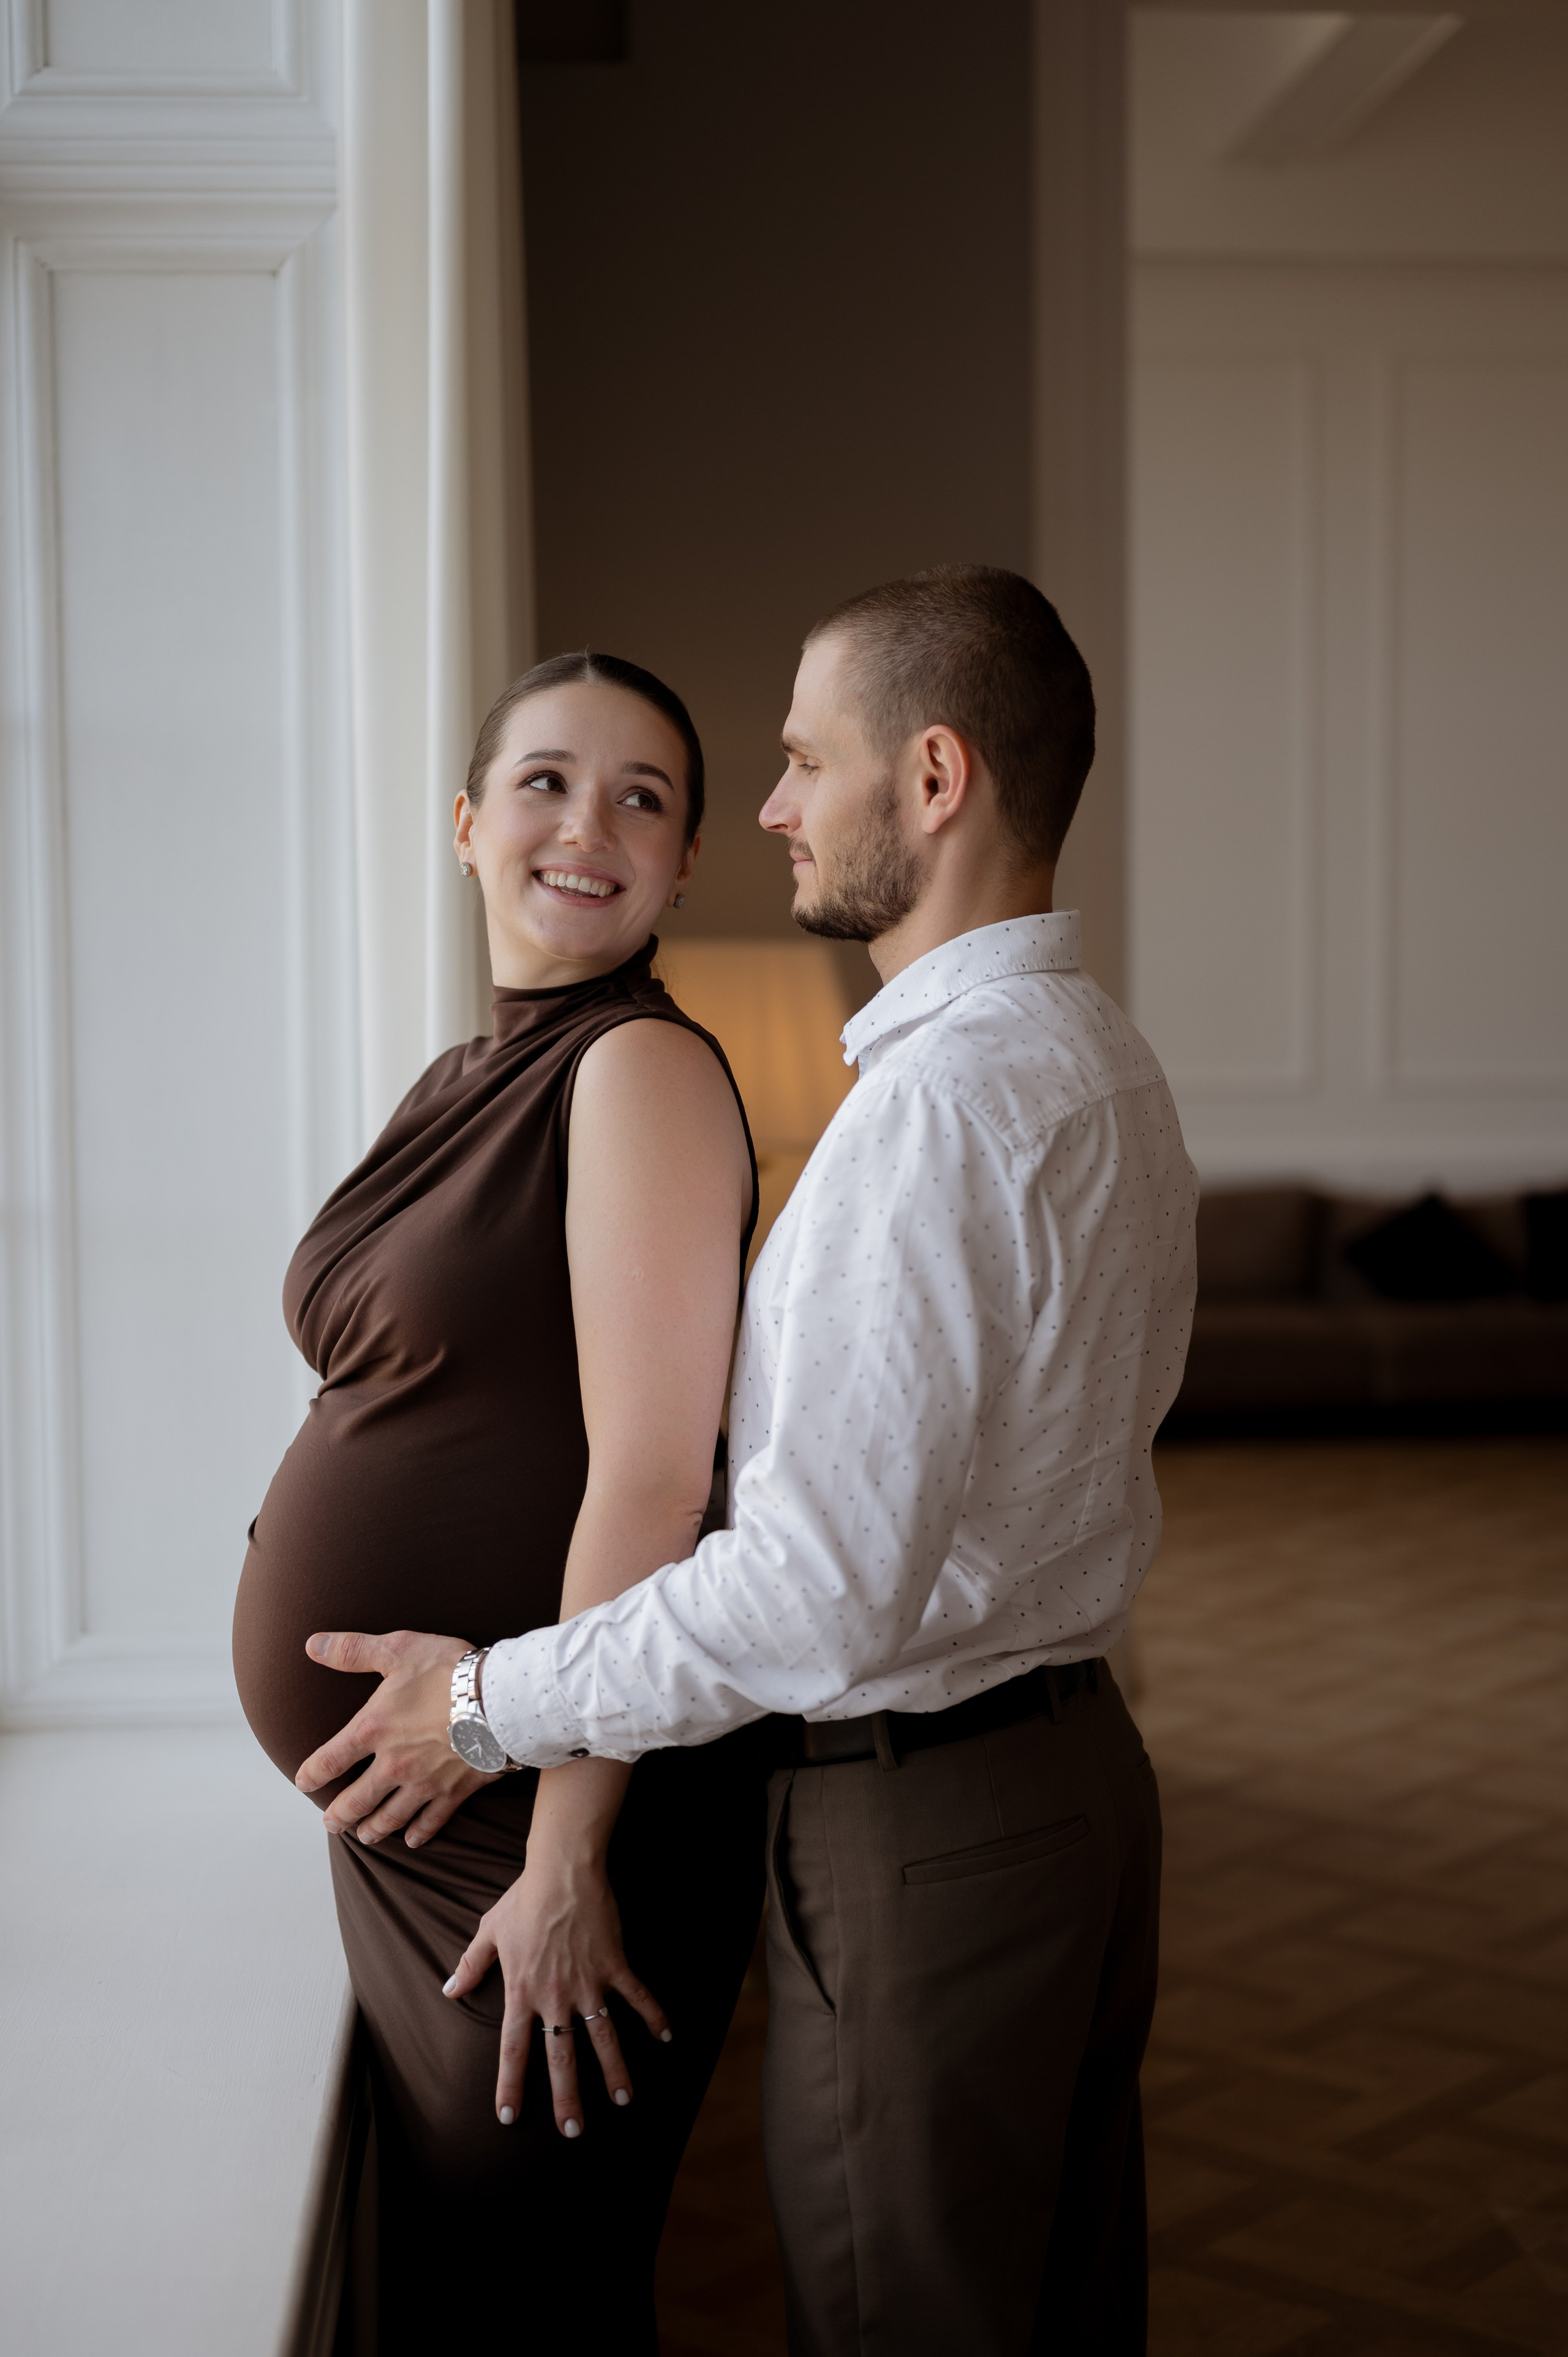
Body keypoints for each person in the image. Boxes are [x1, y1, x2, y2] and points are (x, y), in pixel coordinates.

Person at [303, 565, 1199, 2356]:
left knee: (903, 2318)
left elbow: (815, 1585)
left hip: (928, 1817)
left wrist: (487, 1704)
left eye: (803, 762)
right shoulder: (1089, 1056)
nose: (774, 808)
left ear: (933, 781)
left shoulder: (939, 1111)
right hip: (1057, 1776)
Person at [231, 651, 771, 2354]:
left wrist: (561, 1856)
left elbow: (652, 1479)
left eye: (643, 798)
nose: (586, 826)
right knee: (469, 2288)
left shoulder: (638, 1075)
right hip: (432, 1805)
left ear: (684, 865)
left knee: (529, 2290)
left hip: (532, 1819)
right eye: (545, 782)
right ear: (468, 825)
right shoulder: (461, 1080)